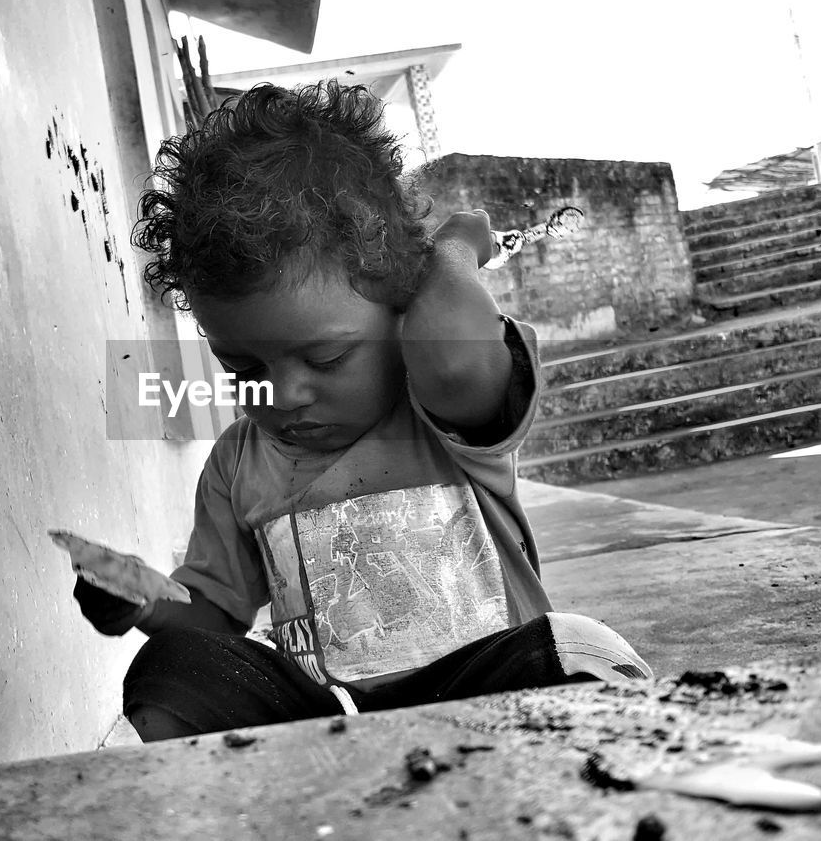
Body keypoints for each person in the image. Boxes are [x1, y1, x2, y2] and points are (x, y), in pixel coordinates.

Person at [75, 81, 652, 742]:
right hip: (336, 729)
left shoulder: (435, 403)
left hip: (491, 696)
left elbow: (459, 360)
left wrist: (452, 250)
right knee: (173, 672)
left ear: (402, 304)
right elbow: (215, 614)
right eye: (244, 368)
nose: (283, 394)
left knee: (575, 646)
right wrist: (144, 599)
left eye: (324, 359)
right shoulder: (239, 462)